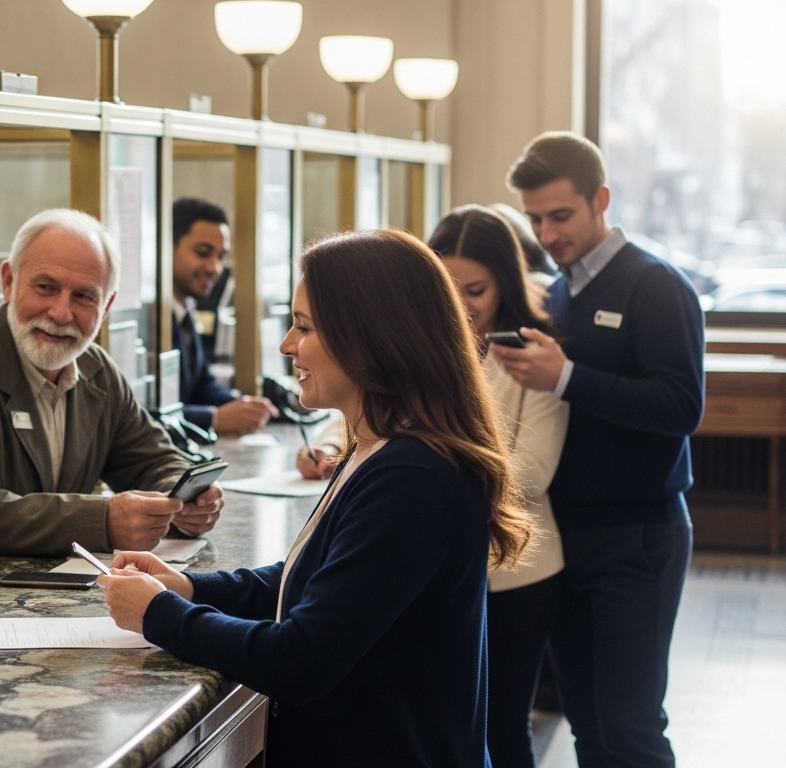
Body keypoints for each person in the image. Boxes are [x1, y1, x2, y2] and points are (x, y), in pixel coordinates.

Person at [99, 229, 534, 767]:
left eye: (303, 327)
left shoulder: (413, 476)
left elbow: (300, 660)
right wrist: (187, 586)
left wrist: (159, 614)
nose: (286, 345)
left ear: (371, 337)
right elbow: (308, 581)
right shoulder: (379, 448)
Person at [491, 132, 704, 767]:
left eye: (561, 215)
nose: (548, 233)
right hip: (564, 537)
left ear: (600, 200)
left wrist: (566, 377)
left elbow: (680, 409)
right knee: (588, 724)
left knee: (630, 727)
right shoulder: (554, 294)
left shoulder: (657, 285)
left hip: (636, 537)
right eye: (535, 219)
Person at [0, 208, 224, 556]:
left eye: (84, 296)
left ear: (106, 306)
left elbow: (152, 460)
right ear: (8, 282)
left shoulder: (96, 369)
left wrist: (184, 497)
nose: (61, 313)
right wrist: (102, 521)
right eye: (45, 287)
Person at [429, 204, 569, 768]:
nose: (462, 306)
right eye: (448, 287)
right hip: (437, 568)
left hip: (518, 572)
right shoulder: (423, 352)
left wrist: (426, 470)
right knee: (443, 724)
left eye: (478, 290)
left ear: (505, 284)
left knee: (503, 726)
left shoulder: (535, 355)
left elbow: (530, 474)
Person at [170, 197, 277, 435]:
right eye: (203, 253)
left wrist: (244, 405)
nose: (214, 268)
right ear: (167, 246)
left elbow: (202, 385)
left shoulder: (184, 309)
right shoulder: (150, 320)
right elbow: (140, 411)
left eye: (220, 257)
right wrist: (213, 419)